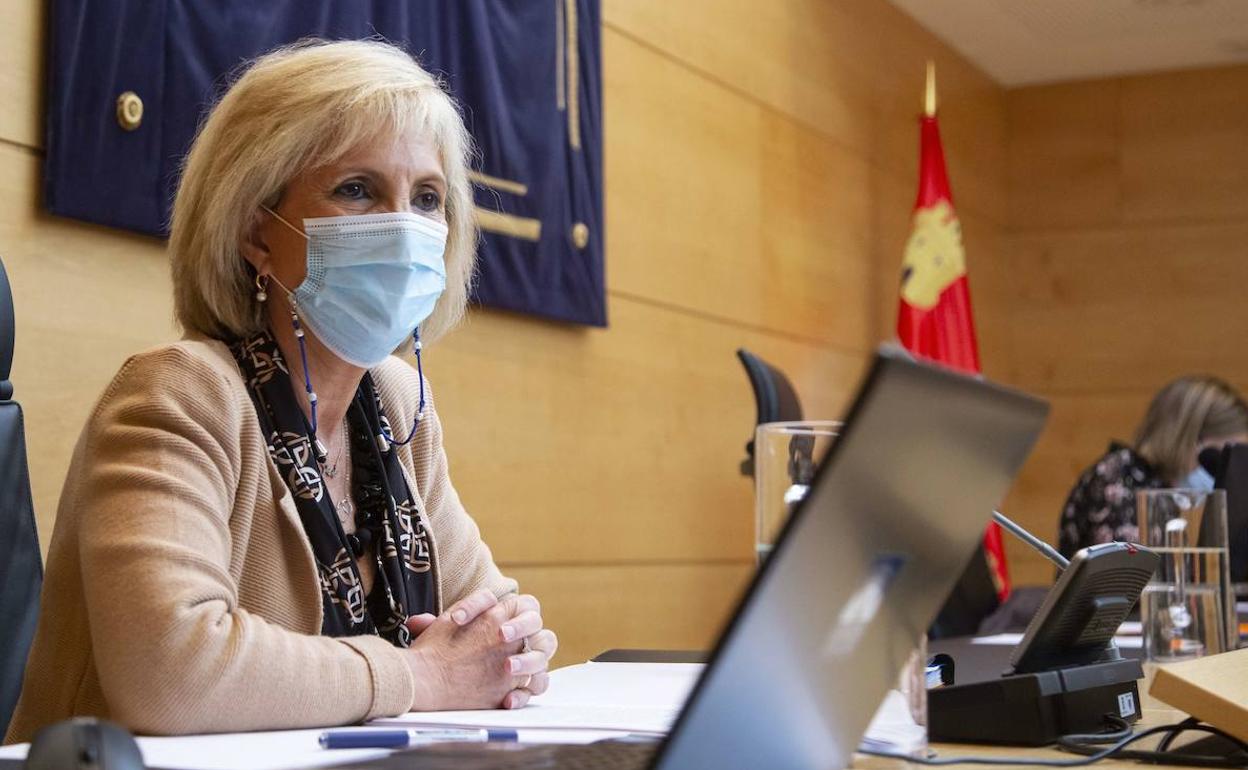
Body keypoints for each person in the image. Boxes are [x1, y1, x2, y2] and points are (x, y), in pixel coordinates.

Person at [6, 39, 557, 742]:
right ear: (256, 232)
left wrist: (514, 650)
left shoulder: (394, 402)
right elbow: (170, 672)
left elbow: (491, 627)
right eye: (357, 188)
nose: (404, 228)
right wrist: (419, 677)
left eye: (426, 198)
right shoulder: (178, 395)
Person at [1057, 376, 1248, 559]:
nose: (1225, 471)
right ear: (1191, 440)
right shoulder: (1118, 479)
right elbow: (1131, 579)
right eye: (1219, 458)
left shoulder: (1166, 487)